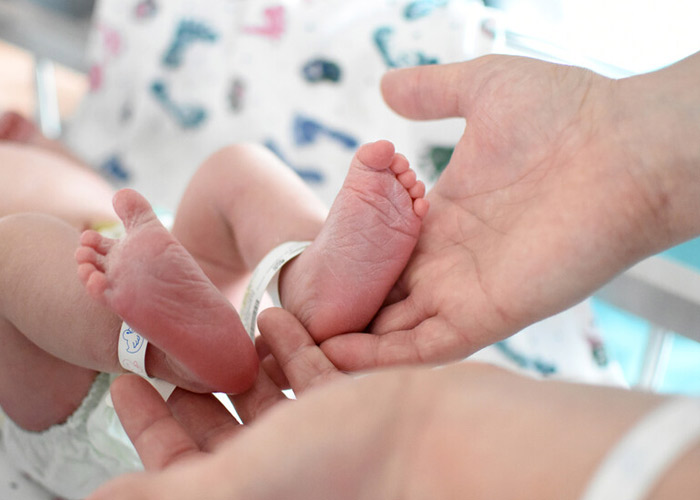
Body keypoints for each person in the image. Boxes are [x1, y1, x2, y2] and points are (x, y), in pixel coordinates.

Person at [91, 51, 700, 499]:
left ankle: (295, 288)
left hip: (142, 328)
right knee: (233, 176)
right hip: (154, 305)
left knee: (30, 253)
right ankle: (289, 281)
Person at [0, 122, 427, 499]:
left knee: (232, 171)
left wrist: (38, 142)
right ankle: (163, 351)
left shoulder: (29, 150)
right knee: (8, 251)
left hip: (177, 283)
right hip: (78, 370)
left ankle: (307, 280)